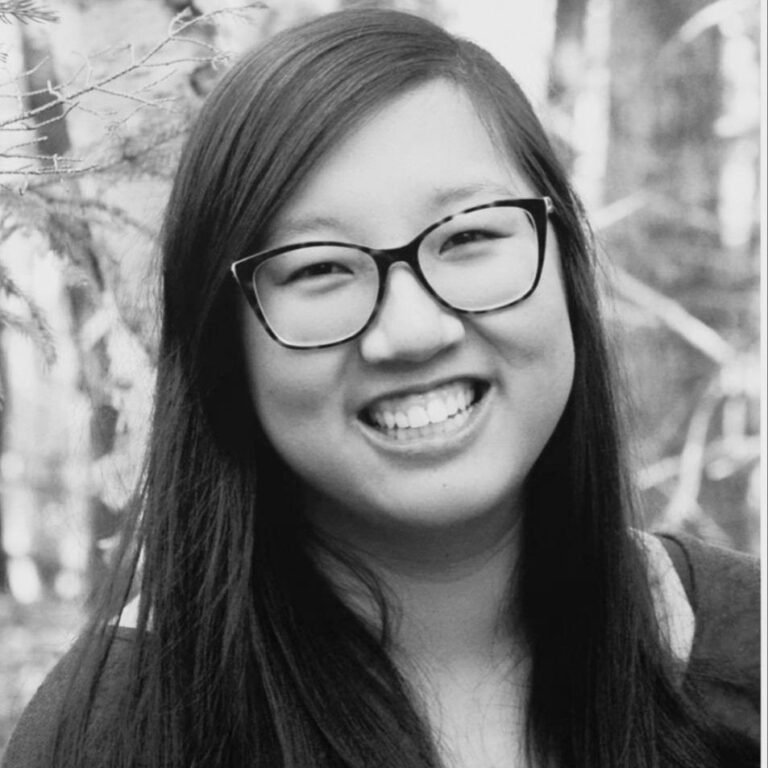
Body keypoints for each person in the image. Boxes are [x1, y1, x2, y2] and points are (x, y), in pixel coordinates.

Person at [2, 9, 759, 768]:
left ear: (566, 263)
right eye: (319, 268)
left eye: (468, 237)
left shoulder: (744, 651)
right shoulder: (115, 736)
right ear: (222, 343)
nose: (412, 332)